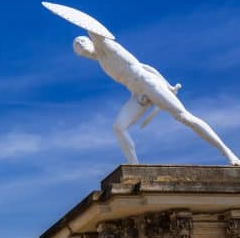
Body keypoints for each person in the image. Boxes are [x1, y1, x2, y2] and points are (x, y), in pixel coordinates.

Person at [72, 32, 240, 165]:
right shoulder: (102, 62)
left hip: (148, 84)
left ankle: (229, 154)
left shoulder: (106, 46)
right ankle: (134, 168)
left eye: (81, 41)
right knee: (118, 127)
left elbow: (93, 29)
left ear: (91, 40)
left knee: (184, 117)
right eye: (76, 47)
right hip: (137, 94)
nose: (79, 45)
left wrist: (163, 84)